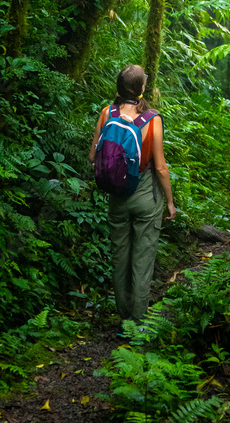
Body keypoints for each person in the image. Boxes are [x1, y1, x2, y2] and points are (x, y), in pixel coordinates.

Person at [89, 64, 176, 330]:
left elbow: (94, 156)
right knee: (143, 256)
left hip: (117, 195)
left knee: (120, 256)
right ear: (141, 89)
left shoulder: (107, 113)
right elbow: (160, 167)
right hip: (145, 196)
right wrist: (170, 202)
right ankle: (138, 322)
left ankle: (124, 317)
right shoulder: (152, 118)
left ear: (118, 87)